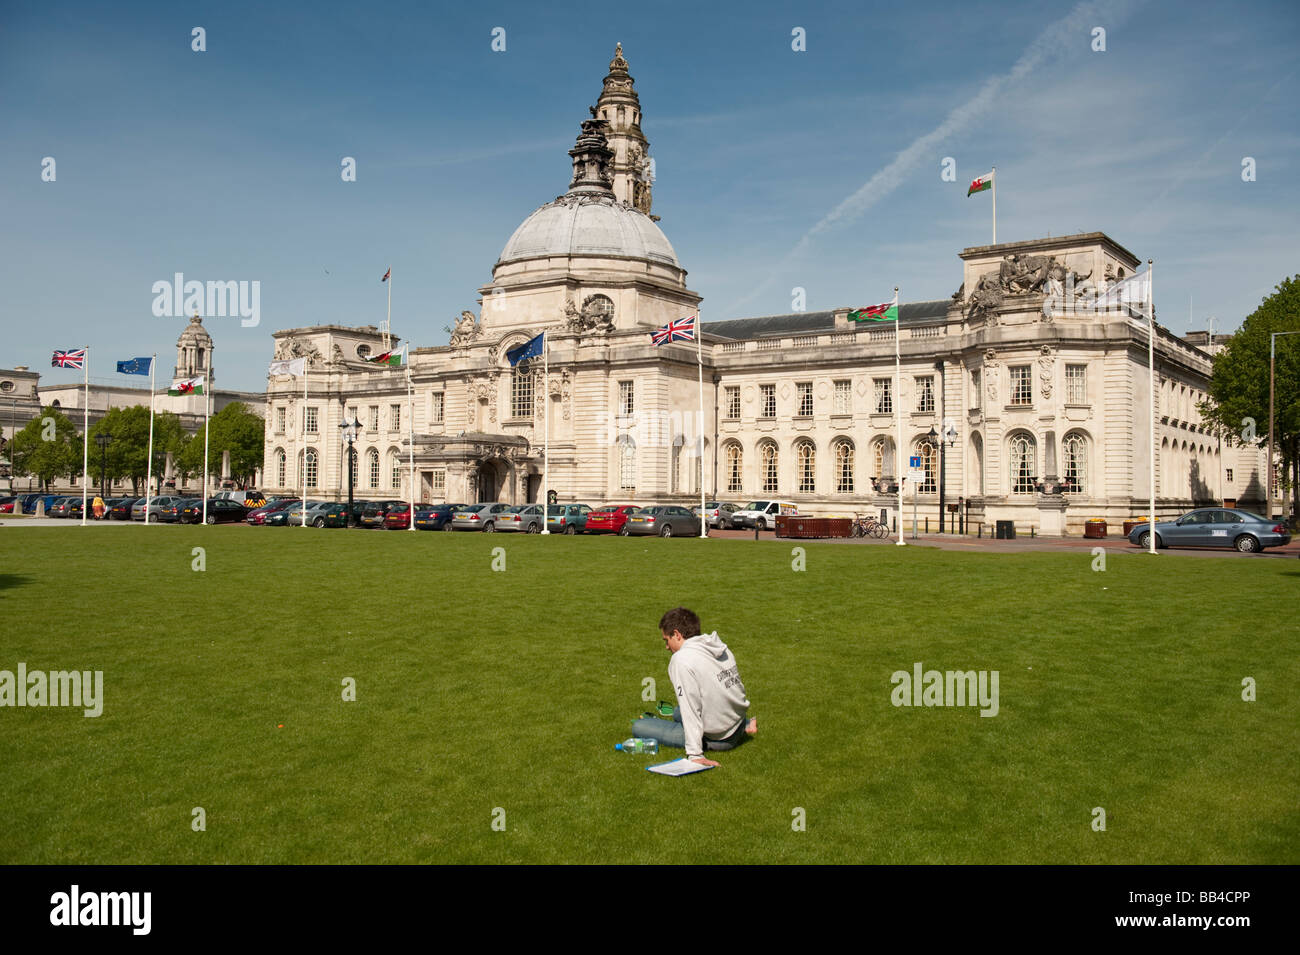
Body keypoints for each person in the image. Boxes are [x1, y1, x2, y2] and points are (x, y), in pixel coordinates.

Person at [631, 607, 756, 766]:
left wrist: (695, 754)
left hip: (721, 738)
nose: (667, 647)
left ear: (677, 634)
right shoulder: (717, 646)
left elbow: (690, 707)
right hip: (737, 723)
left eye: (666, 640)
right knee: (677, 712)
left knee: (640, 727)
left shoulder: (681, 659)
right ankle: (747, 724)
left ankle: (703, 743)